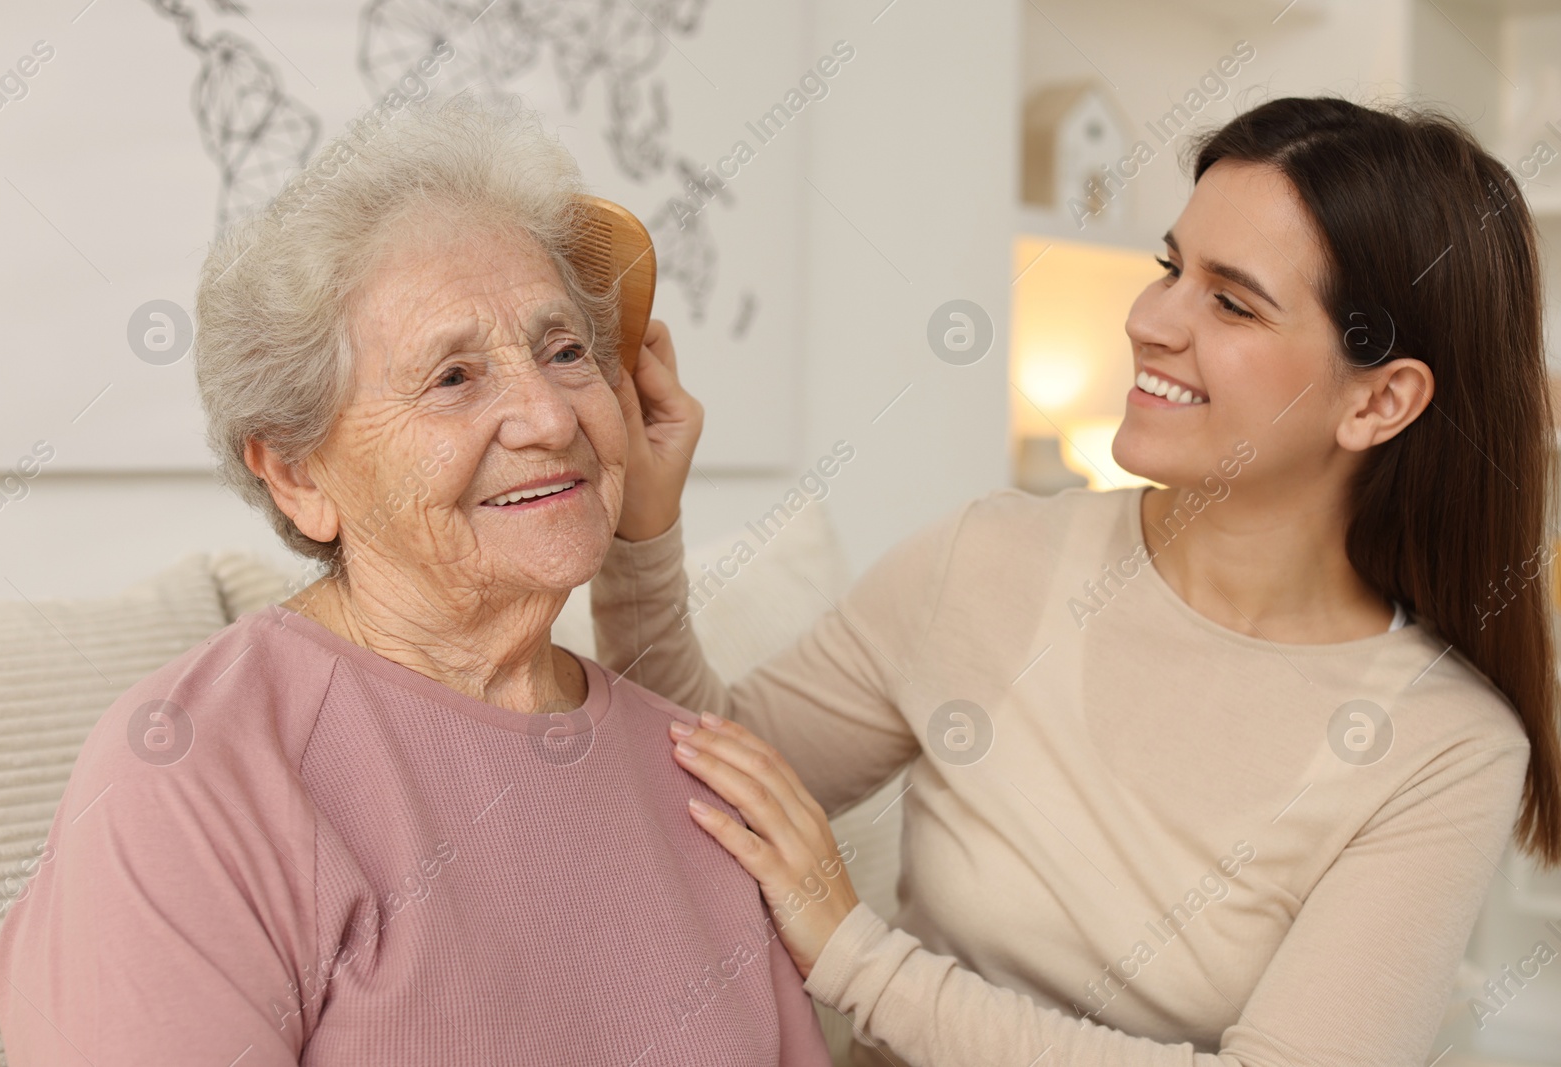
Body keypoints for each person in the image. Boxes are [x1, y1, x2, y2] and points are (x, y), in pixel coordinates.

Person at [592, 95, 1561, 1065]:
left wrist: (857, 956)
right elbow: (698, 778)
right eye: (1170, 269)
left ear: (1379, 399)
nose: (1150, 321)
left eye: (1230, 301)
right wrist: (643, 529)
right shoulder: (985, 559)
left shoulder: (1446, 745)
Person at [0, 92, 832, 1066]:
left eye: (565, 351)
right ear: (300, 473)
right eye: (453, 377)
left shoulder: (700, 774)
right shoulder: (192, 772)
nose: (549, 416)